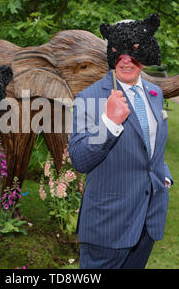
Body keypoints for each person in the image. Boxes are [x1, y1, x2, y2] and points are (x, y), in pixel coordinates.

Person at [69, 15, 173, 269]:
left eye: (135, 51)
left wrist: (164, 176)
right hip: (108, 226)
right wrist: (110, 122)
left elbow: (151, 147)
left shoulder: (154, 93)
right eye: (119, 52)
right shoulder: (89, 97)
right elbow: (79, 159)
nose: (126, 60)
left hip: (148, 219)